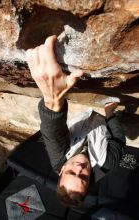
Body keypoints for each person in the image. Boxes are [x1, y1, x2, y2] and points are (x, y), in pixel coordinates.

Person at [26, 35, 126, 207]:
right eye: (84, 177)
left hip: (85, 115)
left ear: (61, 171)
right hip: (106, 120)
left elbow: (51, 132)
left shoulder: (58, 158)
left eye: (72, 172)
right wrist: (110, 113)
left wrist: (52, 101)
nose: (79, 168)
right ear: (90, 180)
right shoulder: (107, 163)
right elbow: (119, 139)